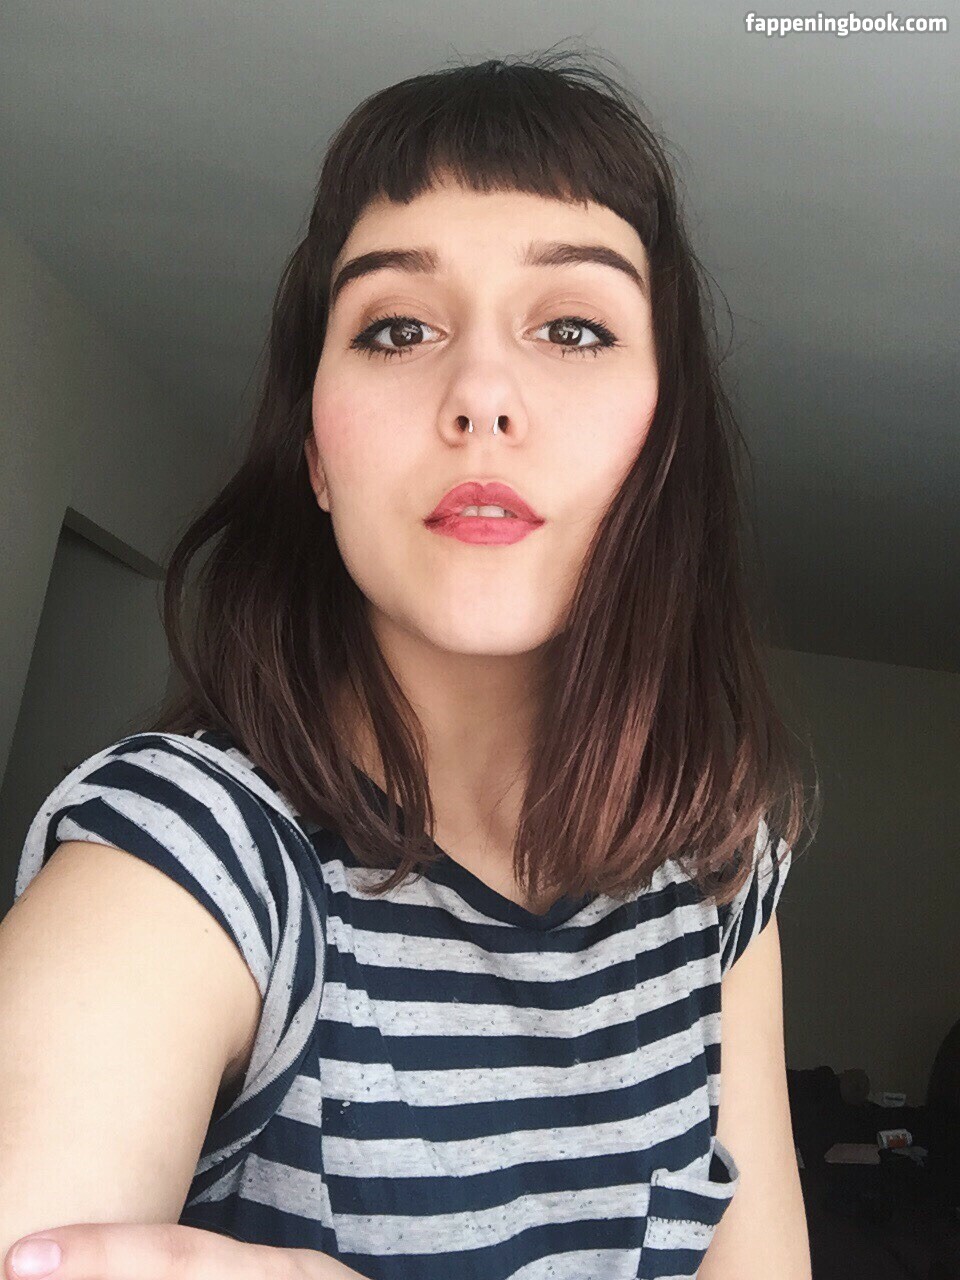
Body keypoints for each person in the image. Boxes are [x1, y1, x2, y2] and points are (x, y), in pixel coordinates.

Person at [1, 50, 817, 1280]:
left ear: (667, 445)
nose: (480, 392)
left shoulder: (720, 858)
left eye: (574, 327)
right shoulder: (188, 855)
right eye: (396, 328)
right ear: (318, 460)